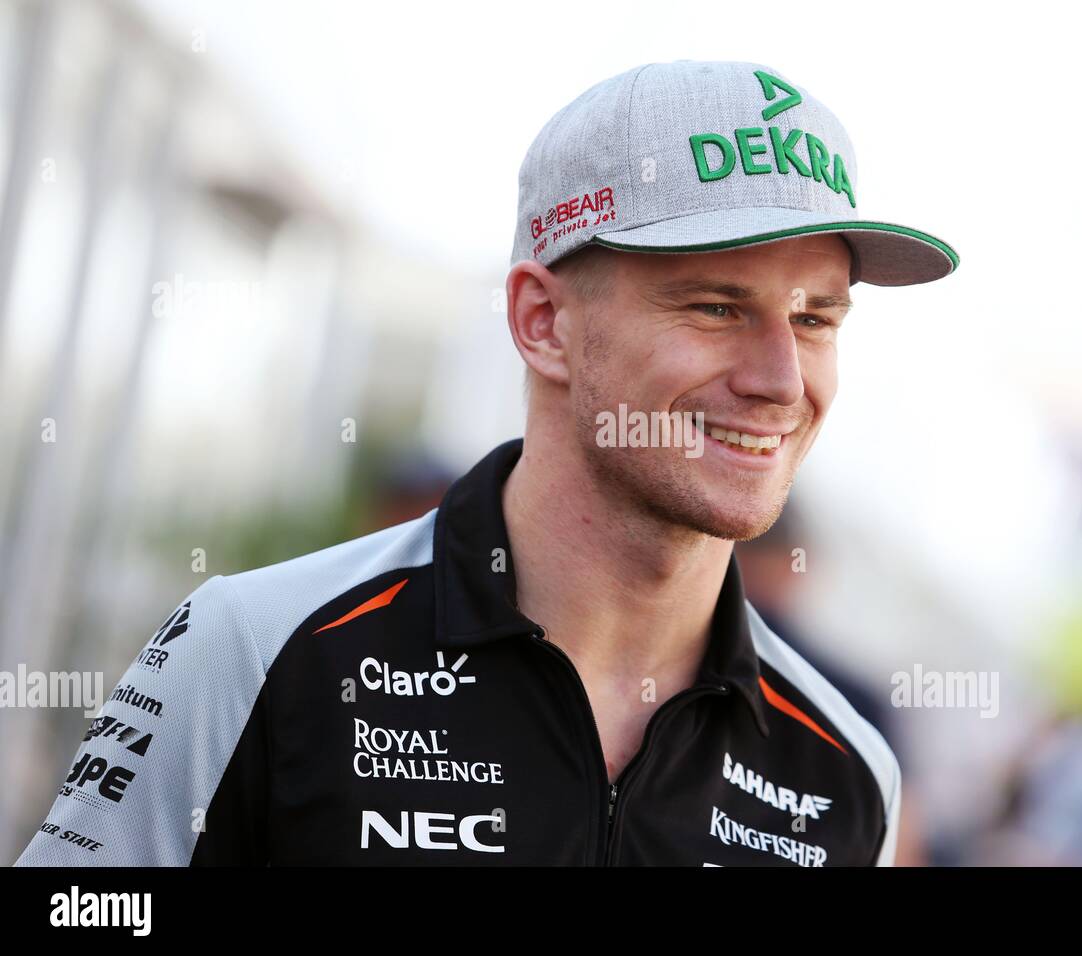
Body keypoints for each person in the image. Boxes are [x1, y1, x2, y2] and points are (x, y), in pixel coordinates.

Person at [15, 59, 958, 866]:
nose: (781, 380)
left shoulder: (844, 768)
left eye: (814, 318)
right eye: (715, 306)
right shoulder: (255, 648)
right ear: (542, 323)